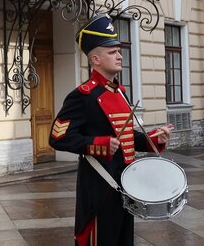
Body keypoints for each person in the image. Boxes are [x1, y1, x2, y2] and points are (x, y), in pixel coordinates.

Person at [49, 13, 174, 246]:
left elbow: (126, 136)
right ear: (95, 59)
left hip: (126, 185)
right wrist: (99, 144)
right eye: (112, 52)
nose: (119, 55)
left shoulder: (120, 92)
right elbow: (58, 138)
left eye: (119, 50)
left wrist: (154, 138)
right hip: (99, 187)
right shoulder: (83, 96)